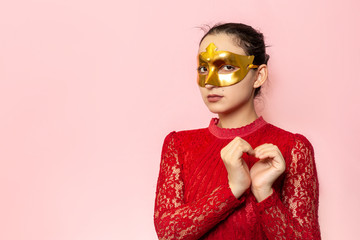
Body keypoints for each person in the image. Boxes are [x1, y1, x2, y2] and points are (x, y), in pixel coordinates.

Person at [153, 23, 321, 240]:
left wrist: (264, 193)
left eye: (227, 67)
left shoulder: (293, 148)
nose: (210, 82)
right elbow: (168, 234)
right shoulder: (178, 145)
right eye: (203, 68)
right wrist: (233, 189)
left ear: (259, 76)